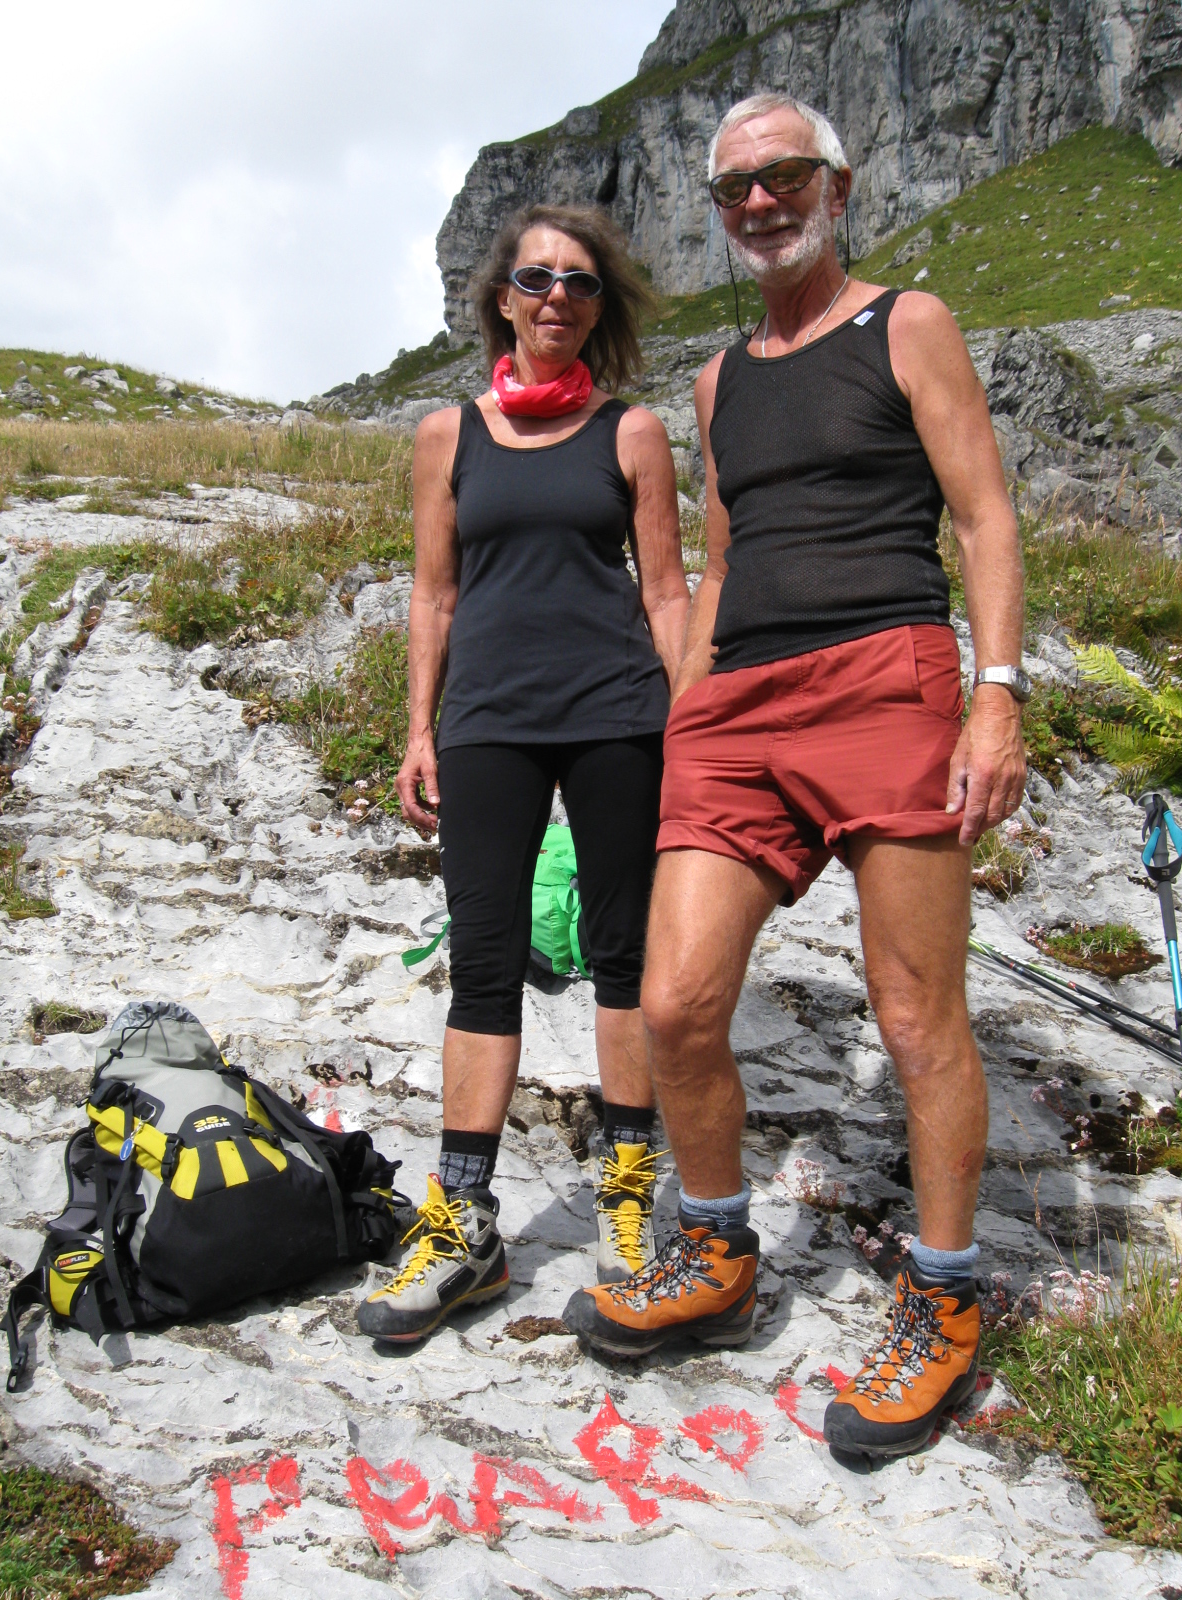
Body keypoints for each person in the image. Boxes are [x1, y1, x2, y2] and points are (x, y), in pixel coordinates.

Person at [564, 94, 1027, 1460]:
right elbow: (719, 556)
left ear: (838, 183)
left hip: (886, 677)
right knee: (675, 999)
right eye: (736, 188)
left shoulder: (909, 325)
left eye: (785, 177)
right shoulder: (719, 381)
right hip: (737, 707)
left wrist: (996, 696)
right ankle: (716, 1254)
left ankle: (944, 1301)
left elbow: (984, 513)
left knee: (916, 1014)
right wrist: (687, 705)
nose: (761, 203)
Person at [358, 204, 691, 1344]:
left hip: (619, 715)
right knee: (485, 960)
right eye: (538, 278)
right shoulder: (446, 434)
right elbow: (434, 592)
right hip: (487, 722)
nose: (558, 297)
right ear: (502, 297)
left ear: (601, 309)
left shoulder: (633, 432)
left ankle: (629, 1201)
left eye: (581, 283)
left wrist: (696, 720)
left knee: (624, 957)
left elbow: (666, 593)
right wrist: (419, 728)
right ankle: (465, 1224)